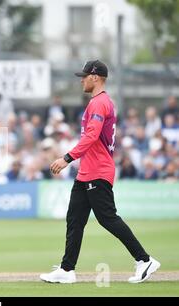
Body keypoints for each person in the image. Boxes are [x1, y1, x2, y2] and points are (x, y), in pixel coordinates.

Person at [40, 60, 160, 284]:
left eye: (84, 76)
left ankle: (144, 260)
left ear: (95, 77)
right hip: (87, 171)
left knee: (107, 218)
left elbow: (92, 135)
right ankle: (67, 270)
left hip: (98, 171)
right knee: (75, 219)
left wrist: (67, 158)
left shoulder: (100, 102)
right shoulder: (98, 102)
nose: (82, 80)